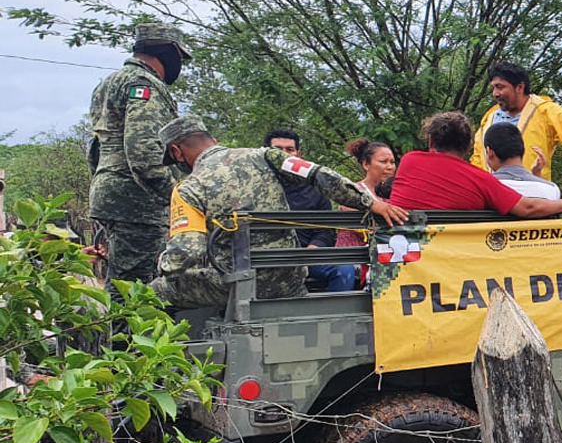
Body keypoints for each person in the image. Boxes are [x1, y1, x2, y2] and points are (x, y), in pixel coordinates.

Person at [152, 116, 407, 308]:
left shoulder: (187, 188)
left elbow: (186, 254)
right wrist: (370, 202)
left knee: (156, 291)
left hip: (239, 285)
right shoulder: (265, 156)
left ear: (176, 152)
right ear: (213, 142)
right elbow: (319, 175)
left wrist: (163, 264)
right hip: (291, 278)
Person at [87, 22, 190, 294]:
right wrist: (178, 198)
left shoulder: (110, 82)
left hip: (111, 193)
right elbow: (144, 154)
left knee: (121, 281)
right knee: (135, 290)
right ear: (167, 52)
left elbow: (96, 147)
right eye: (178, 57)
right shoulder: (144, 84)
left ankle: (121, 337)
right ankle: (128, 339)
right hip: (136, 203)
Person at [388, 112, 562, 218]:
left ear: (431, 141)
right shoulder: (480, 179)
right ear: (468, 146)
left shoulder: (408, 161)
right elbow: (528, 208)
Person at [468, 62, 562, 196]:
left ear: (520, 87)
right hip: (490, 196)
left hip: (532, 196)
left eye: (500, 87)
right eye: (494, 88)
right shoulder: (489, 116)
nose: (495, 93)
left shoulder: (546, 110)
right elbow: (478, 158)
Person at [264, 129, 356, 292]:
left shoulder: (315, 188)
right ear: (266, 153)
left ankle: (335, 316)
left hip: (308, 256)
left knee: (344, 269)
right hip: (263, 258)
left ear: (299, 154)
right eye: (277, 150)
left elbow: (326, 232)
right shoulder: (252, 187)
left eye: (290, 150)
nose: (284, 155)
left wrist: (310, 252)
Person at [337, 138, 396, 248]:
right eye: (383, 162)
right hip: (353, 259)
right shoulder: (352, 192)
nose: (390, 167)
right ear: (366, 164)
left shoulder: (395, 193)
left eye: (392, 162)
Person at [483, 123, 561, 200]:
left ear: (489, 152)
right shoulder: (551, 190)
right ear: (523, 150)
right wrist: (536, 175)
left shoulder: (482, 188)